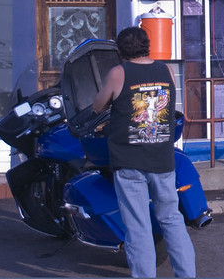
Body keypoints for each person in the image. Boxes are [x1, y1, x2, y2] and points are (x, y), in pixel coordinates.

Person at [93, 27, 196, 278]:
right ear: (147, 45)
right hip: (162, 158)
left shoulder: (118, 73)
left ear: (120, 50)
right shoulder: (166, 70)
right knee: (171, 219)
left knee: (138, 227)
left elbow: (98, 106)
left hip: (129, 161)